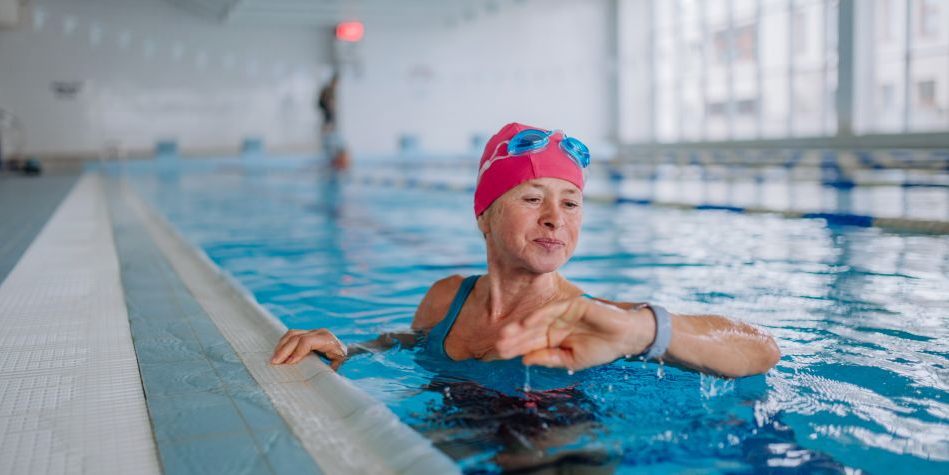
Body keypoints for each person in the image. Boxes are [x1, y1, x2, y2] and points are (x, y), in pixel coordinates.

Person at [271, 122, 781, 378]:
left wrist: (642, 329)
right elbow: (408, 341)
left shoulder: (588, 316)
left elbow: (761, 348)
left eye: (572, 203)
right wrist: (349, 350)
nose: (555, 218)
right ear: (485, 216)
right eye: (533, 198)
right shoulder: (445, 298)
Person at [316, 72, 350, 171]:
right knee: (329, 138)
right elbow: (324, 104)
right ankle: (330, 155)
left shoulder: (329, 90)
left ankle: (330, 155)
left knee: (331, 138)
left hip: (329, 119)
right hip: (328, 119)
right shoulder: (328, 90)